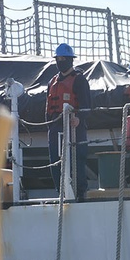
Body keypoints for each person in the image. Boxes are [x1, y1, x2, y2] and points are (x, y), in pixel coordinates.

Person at [45, 43, 92, 200]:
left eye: (64, 58)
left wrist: (79, 119)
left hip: (74, 128)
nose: (61, 61)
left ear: (71, 60)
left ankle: (79, 194)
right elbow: (47, 108)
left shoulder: (79, 80)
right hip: (55, 127)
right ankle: (61, 194)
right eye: (58, 59)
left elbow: (86, 105)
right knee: (55, 162)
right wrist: (50, 125)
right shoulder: (52, 82)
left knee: (77, 160)